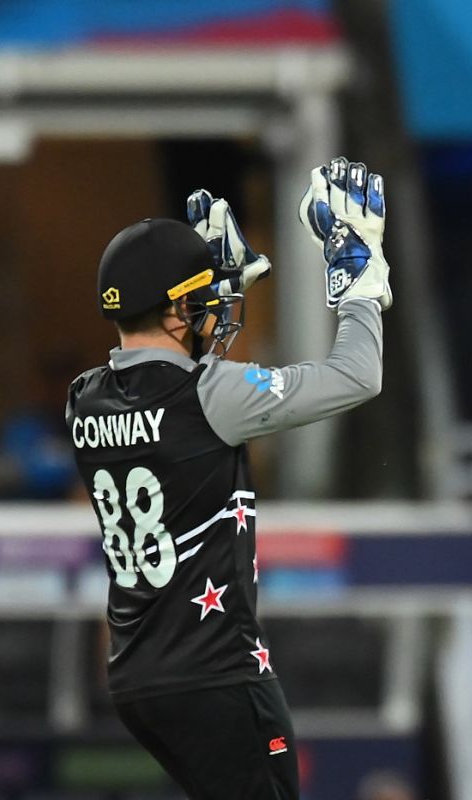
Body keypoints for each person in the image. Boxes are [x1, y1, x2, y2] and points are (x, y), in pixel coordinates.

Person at [67, 157, 391, 800]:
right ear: (177, 308)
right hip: (217, 672)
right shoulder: (211, 396)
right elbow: (360, 375)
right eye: (205, 300)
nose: (221, 310)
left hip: (138, 676)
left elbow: (173, 388)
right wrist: (358, 282)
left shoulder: (85, 397)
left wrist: (197, 286)